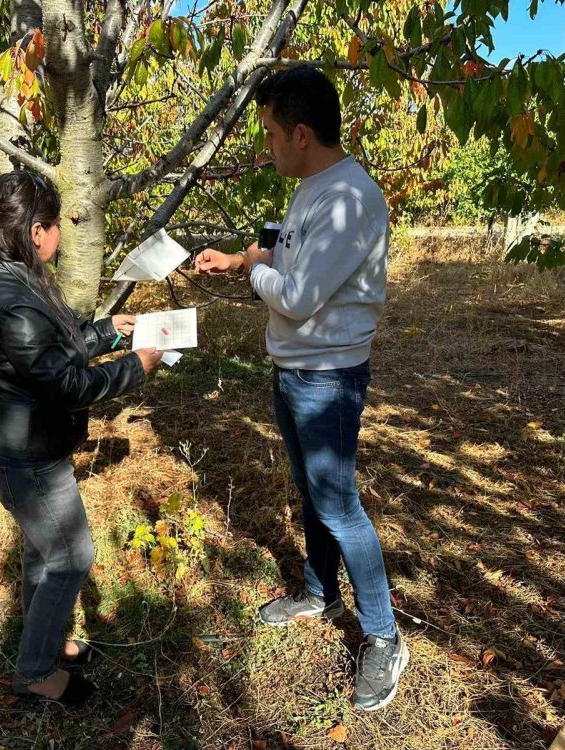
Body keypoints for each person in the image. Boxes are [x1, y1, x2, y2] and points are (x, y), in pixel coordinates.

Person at [195, 66, 407, 712]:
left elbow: (298, 296)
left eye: (271, 135)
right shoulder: (315, 186)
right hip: (296, 370)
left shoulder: (349, 198)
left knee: (339, 503)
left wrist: (256, 271)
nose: (268, 147)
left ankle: (383, 635)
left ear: (303, 134)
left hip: (326, 377)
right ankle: (320, 591)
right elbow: (290, 259)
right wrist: (242, 261)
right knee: (313, 490)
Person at [0, 170, 163, 705]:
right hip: (23, 455)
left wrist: (106, 331)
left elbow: (55, 349)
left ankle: (47, 641)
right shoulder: (14, 298)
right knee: (72, 557)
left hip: (25, 444)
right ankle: (34, 673)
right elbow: (68, 385)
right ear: (35, 231)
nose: (60, 236)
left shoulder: (14, 274)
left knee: (42, 553)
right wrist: (135, 367)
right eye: (56, 226)